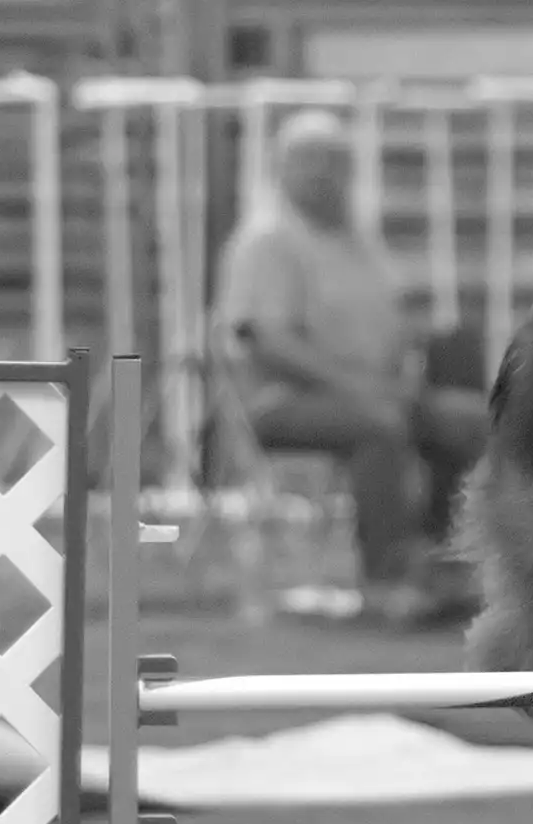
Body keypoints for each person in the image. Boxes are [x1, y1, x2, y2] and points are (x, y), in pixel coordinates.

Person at [213, 108, 487, 624]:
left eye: (337, 160)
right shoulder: (268, 240)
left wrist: (409, 366)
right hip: (285, 402)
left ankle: (443, 561)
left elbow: (396, 317)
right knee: (378, 428)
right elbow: (269, 340)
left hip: (377, 389)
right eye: (311, 160)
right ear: (282, 168)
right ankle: (389, 579)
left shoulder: (360, 240)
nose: (326, 173)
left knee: (470, 421)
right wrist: (357, 387)